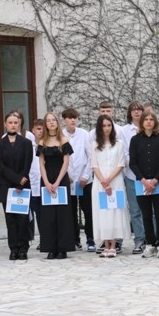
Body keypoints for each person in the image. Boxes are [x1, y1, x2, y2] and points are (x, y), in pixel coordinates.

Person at [91, 115, 131, 258]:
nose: (107, 128)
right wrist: (103, 181)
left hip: (115, 182)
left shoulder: (119, 143)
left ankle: (113, 245)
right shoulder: (95, 144)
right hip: (100, 183)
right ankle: (105, 245)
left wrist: (109, 179)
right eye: (104, 126)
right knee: (102, 212)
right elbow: (94, 166)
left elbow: (121, 164)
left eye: (109, 125)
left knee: (114, 211)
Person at [0, 111, 33, 260]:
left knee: (23, 219)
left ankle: (23, 248)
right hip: (7, 186)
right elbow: (0, 166)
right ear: (5, 124)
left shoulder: (26, 143)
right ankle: (13, 248)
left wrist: (21, 181)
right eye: (10, 122)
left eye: (15, 123)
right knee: (10, 219)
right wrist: (16, 180)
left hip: (22, 186)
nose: (13, 125)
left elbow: (27, 163)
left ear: (19, 125)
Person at [129, 110, 159, 258]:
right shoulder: (135, 140)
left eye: (152, 119)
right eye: (146, 119)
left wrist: (155, 180)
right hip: (142, 183)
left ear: (155, 122)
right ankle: (150, 243)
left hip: (158, 181)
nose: (149, 122)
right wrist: (144, 180)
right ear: (142, 122)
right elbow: (133, 162)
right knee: (145, 214)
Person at [37, 112, 75, 260]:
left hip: (61, 180)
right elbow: (41, 163)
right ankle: (50, 248)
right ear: (45, 124)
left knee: (62, 214)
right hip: (47, 179)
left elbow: (66, 163)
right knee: (48, 215)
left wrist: (58, 181)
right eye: (48, 121)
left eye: (53, 120)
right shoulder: (42, 142)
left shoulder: (64, 140)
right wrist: (46, 182)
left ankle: (63, 248)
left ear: (57, 123)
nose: (51, 123)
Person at [62, 107, 95, 252]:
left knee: (88, 210)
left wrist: (85, 176)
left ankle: (90, 238)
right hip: (68, 180)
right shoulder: (61, 135)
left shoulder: (84, 134)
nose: (73, 120)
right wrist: (66, 174)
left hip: (84, 180)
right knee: (70, 212)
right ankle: (74, 239)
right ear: (64, 120)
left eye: (75, 117)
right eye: (69, 118)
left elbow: (90, 156)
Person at [118, 101, 147, 254]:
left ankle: (151, 238)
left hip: (148, 176)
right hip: (131, 174)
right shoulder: (124, 131)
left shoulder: (148, 127)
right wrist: (136, 167)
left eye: (139, 109)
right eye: (133, 110)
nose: (136, 112)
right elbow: (124, 152)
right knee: (135, 210)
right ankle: (139, 240)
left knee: (149, 210)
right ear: (129, 113)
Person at [28, 119, 44, 241]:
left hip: (47, 184)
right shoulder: (28, 146)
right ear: (33, 130)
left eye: (43, 128)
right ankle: (42, 238)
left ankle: (47, 238)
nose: (41, 131)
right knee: (37, 213)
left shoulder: (48, 145)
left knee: (46, 213)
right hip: (33, 185)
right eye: (38, 129)